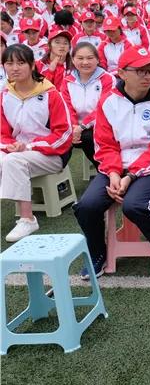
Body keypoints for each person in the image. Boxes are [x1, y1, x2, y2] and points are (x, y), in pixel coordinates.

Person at [73, 46, 150, 280]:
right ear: (122, 73)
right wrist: (114, 173)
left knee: (136, 205)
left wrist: (131, 176)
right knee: (86, 206)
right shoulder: (109, 101)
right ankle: (98, 254)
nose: (148, 76)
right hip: (117, 168)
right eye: (140, 71)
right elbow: (104, 144)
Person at [1, 44, 73, 242]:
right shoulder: (5, 95)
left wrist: (30, 146)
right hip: (17, 151)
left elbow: (64, 134)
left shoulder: (50, 94)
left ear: (32, 65)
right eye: (9, 63)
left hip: (51, 154)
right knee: (9, 158)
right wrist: (10, 146)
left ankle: (28, 218)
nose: (14, 68)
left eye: (21, 62)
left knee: (13, 161)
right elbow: (2, 133)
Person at [61, 42, 115, 169]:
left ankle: (105, 170)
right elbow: (67, 107)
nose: (85, 62)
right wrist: (74, 127)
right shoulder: (67, 81)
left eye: (90, 58)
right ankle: (57, 174)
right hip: (74, 127)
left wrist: (82, 126)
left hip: (101, 125)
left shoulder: (107, 79)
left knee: (88, 137)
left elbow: (104, 108)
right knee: (59, 137)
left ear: (97, 59)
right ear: (73, 60)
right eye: (80, 58)